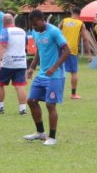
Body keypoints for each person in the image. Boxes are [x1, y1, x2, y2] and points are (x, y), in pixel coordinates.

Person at [25, 10, 70, 146]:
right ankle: (40, 133)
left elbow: (67, 51)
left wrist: (54, 67)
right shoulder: (35, 32)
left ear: (42, 19)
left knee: (50, 105)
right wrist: (32, 67)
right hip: (42, 74)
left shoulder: (54, 31)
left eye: (35, 24)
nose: (34, 27)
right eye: (32, 25)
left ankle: (52, 137)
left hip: (55, 76)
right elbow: (39, 50)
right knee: (31, 101)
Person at [0, 12, 28, 115]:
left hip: (8, 62)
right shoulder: (22, 31)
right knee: (20, 86)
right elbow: (25, 46)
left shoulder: (5, 31)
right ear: (13, 21)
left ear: (3, 22)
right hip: (21, 62)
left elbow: (3, 46)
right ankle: (23, 109)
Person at [60, 6, 96, 99]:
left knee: (58, 71)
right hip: (72, 50)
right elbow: (85, 39)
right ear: (80, 14)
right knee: (74, 72)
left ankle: (57, 92)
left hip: (61, 49)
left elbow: (55, 31)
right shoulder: (80, 24)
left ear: (71, 11)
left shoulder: (64, 21)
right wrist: (89, 54)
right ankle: (73, 94)